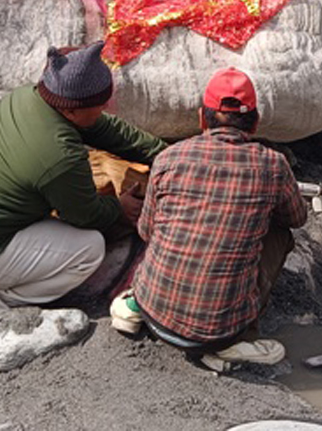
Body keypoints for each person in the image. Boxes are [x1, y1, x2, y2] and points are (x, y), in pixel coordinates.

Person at [0, 42, 165, 330]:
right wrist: (119, 207)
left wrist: (164, 154)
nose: (106, 107)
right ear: (72, 111)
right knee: (89, 250)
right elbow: (87, 215)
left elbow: (105, 129)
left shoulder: (28, 97)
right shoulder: (59, 155)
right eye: (101, 104)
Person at [109, 68, 308, 370]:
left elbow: (147, 231)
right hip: (216, 334)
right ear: (255, 122)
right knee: (281, 233)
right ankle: (236, 341)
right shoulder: (273, 165)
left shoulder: (169, 157)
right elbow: (297, 218)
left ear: (202, 118)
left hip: (153, 312)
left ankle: (132, 308)